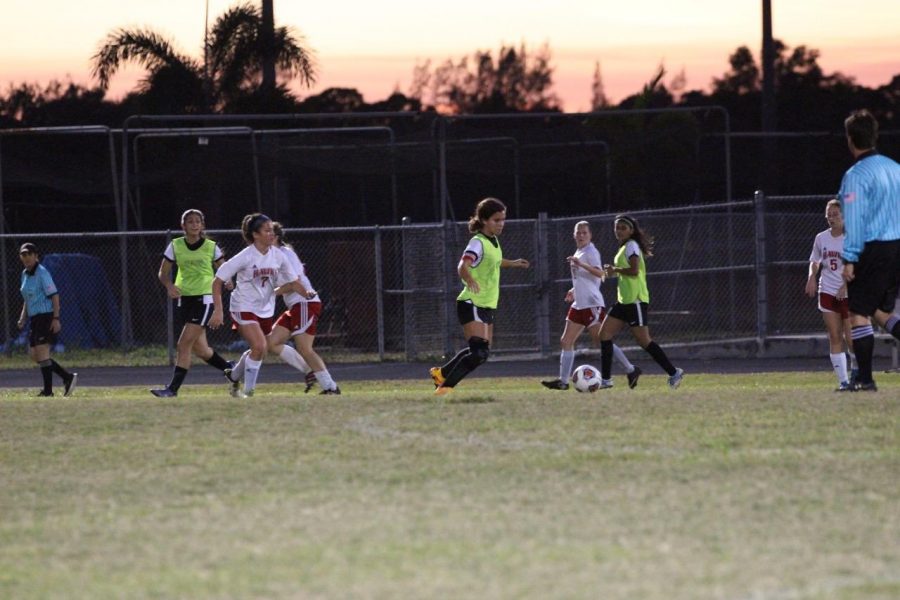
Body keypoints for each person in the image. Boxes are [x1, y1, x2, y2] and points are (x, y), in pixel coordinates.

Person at [429, 197, 530, 395]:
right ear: (484, 220)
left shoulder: (493, 242)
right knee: (479, 352)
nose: (501, 223)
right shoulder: (477, 242)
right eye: (496, 220)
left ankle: (441, 373)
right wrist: (470, 279)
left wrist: (515, 263)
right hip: (472, 302)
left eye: (502, 219)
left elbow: (495, 261)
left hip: (487, 304)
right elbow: (462, 265)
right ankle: (444, 388)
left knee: (481, 352)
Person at [838, 109, 900, 392]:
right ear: (874, 136)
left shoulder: (856, 175)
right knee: (880, 312)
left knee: (858, 311)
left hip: (875, 247)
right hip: (897, 246)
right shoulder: (895, 168)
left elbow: (855, 218)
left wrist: (850, 258)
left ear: (850, 139)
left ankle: (865, 378)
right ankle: (863, 377)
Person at [208, 213, 300, 398]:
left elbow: (293, 280)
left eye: (272, 230)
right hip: (242, 306)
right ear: (255, 235)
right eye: (266, 230)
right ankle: (249, 394)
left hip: (265, 309)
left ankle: (233, 376)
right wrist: (218, 310)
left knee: (260, 348)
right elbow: (217, 282)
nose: (272, 233)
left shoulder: (278, 256)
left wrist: (303, 294)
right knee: (259, 346)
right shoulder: (246, 256)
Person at [541, 221, 640, 390]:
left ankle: (631, 369)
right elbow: (585, 278)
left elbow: (601, 274)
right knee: (566, 341)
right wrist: (573, 289)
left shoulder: (591, 252)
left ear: (590, 235)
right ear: (574, 235)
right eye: (578, 232)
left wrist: (580, 264)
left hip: (591, 304)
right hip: (579, 304)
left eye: (584, 232)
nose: (581, 235)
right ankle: (563, 381)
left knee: (602, 341)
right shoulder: (579, 251)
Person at [150, 209, 234, 397]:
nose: (194, 224)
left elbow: (225, 268)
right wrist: (169, 285)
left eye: (198, 222)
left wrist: (228, 280)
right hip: (185, 298)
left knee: (183, 344)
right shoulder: (175, 245)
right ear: (183, 226)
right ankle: (230, 370)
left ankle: (172, 389)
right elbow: (162, 273)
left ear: (202, 225)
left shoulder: (211, 246)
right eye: (190, 222)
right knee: (202, 350)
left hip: (204, 297)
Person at [598, 215, 684, 389]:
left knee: (644, 341)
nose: (619, 230)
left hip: (636, 300)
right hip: (624, 301)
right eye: (617, 227)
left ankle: (674, 372)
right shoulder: (623, 248)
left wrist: (615, 270)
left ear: (631, 230)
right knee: (604, 335)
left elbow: (634, 270)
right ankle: (606, 380)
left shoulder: (631, 246)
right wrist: (613, 272)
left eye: (623, 227)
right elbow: (625, 271)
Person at [258, 221, 340, 395]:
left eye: (268, 233)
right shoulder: (272, 257)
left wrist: (272, 293)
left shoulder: (284, 254)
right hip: (294, 306)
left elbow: (294, 284)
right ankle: (309, 371)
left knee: (305, 348)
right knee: (271, 343)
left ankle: (330, 387)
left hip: (304, 303)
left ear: (276, 237)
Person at [805, 199, 858, 391]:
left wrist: (846, 284)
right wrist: (812, 276)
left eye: (836, 214)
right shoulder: (821, 238)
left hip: (849, 292)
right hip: (827, 290)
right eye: (829, 214)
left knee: (851, 337)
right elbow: (815, 260)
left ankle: (857, 375)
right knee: (835, 336)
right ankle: (843, 382)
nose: (832, 218)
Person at [17, 243, 77, 397]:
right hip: (34, 318)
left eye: (29, 254)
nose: (26, 257)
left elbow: (55, 296)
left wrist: (56, 318)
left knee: (42, 354)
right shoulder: (24, 274)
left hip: (45, 316)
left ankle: (48, 391)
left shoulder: (42, 273)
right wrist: (23, 317)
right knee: (34, 355)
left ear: (36, 256)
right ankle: (67, 377)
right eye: (23, 254)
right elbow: (27, 299)